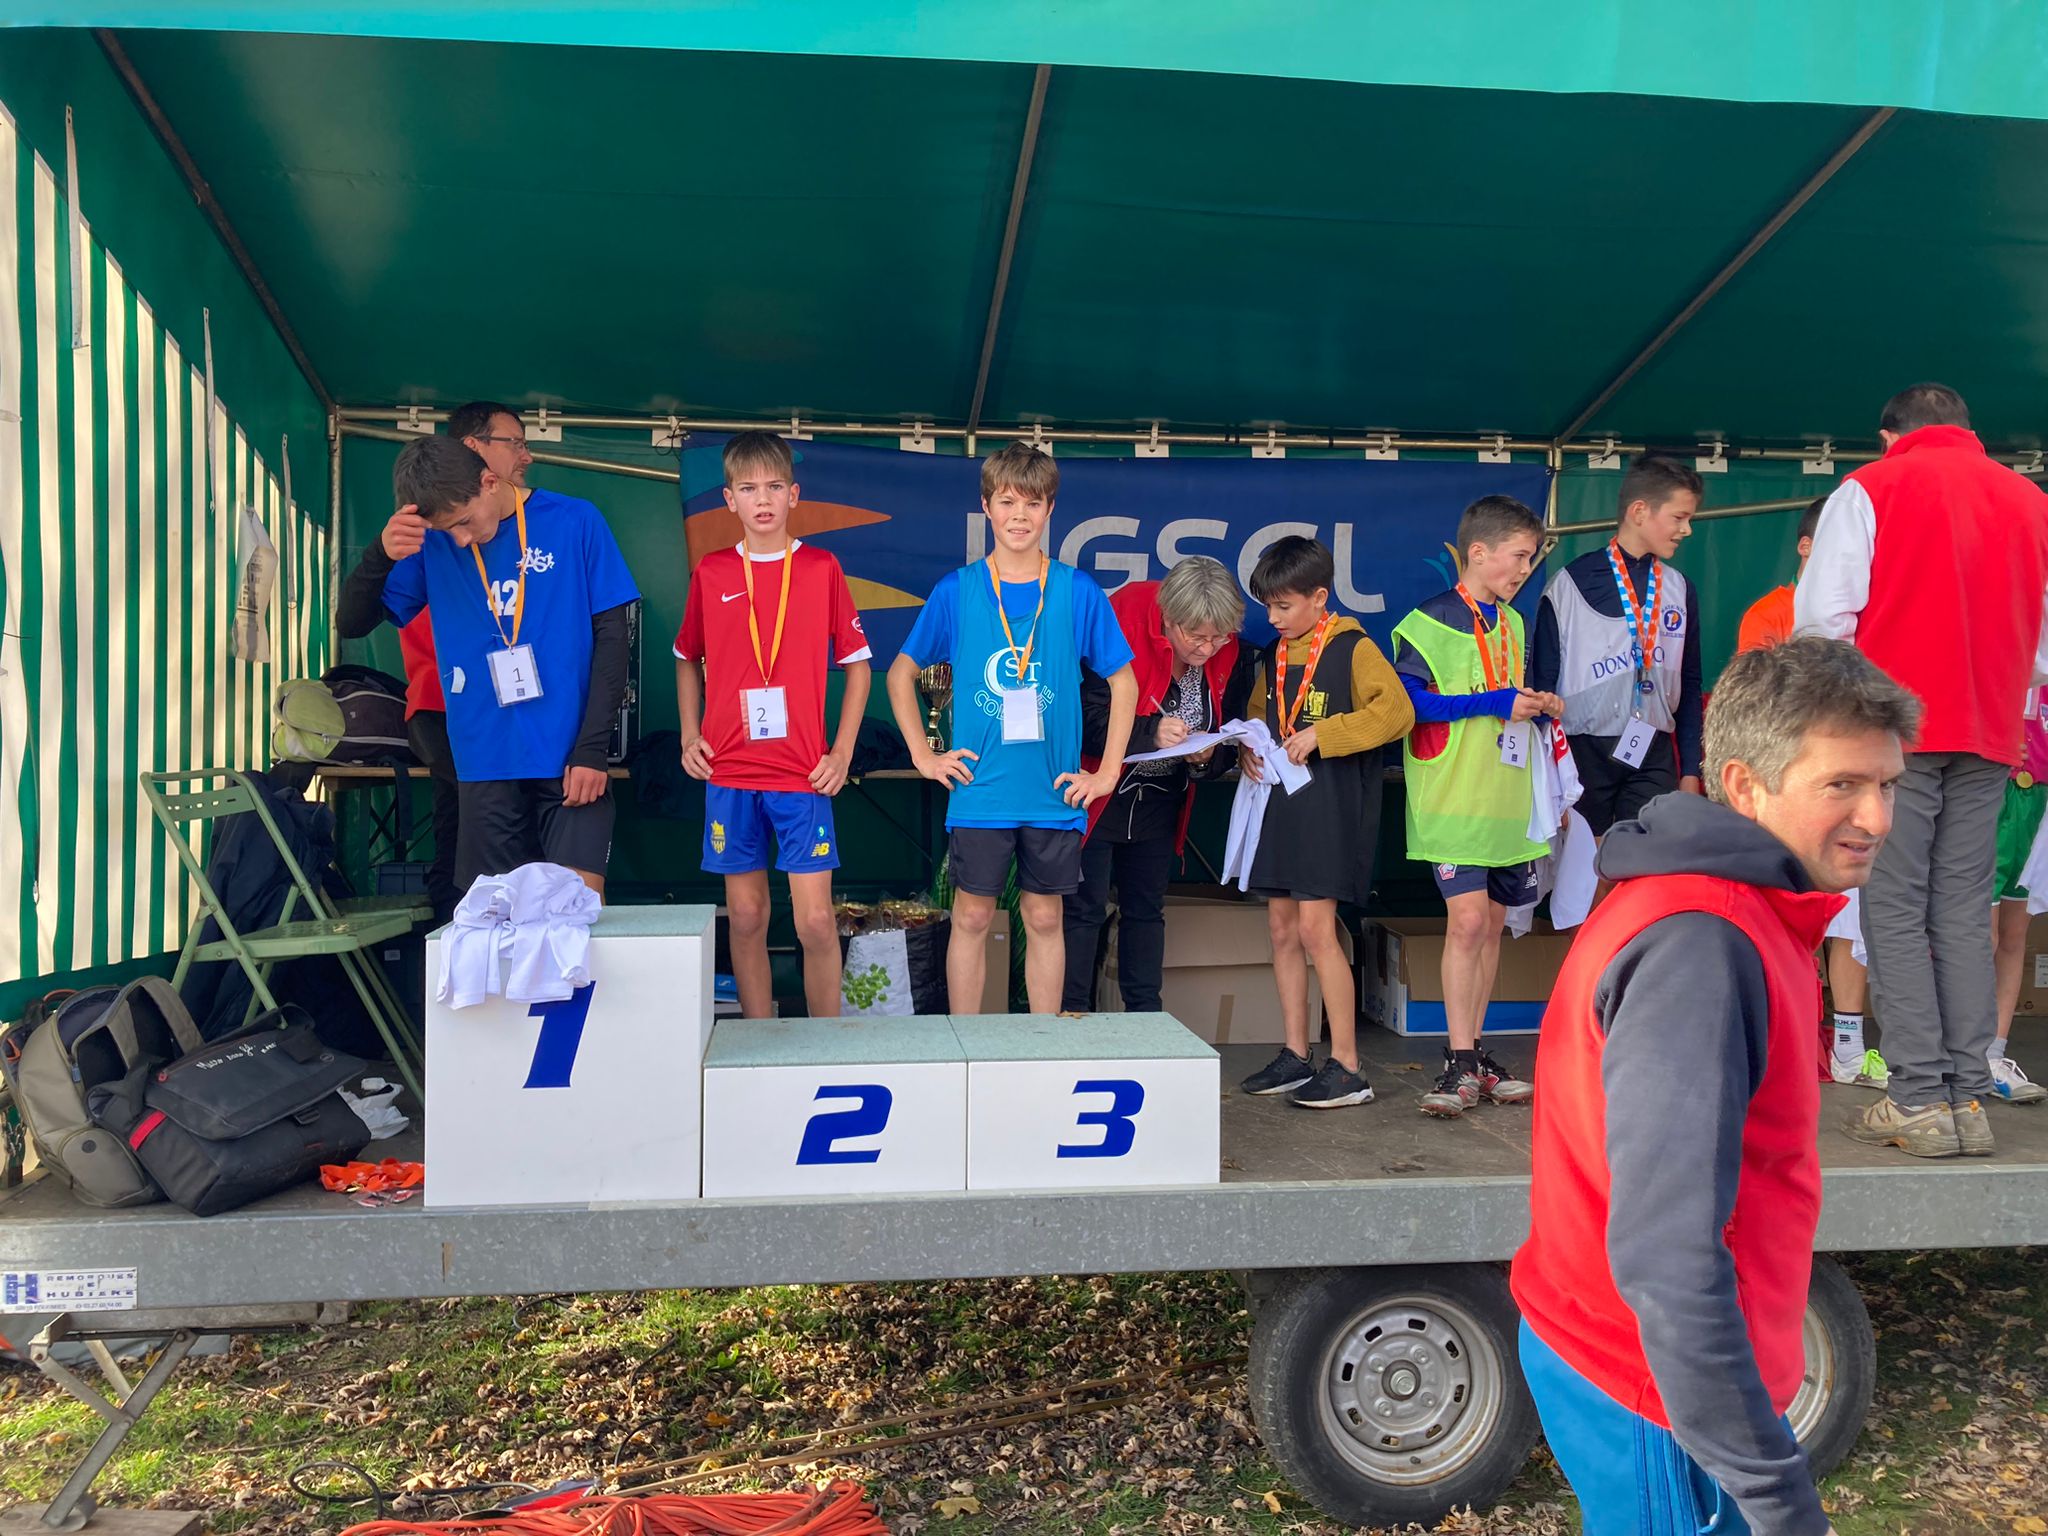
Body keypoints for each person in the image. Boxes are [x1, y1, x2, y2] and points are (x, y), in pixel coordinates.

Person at [1512, 635, 1918, 1536]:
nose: (1877, 816)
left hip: (1646, 1370)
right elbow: (1667, 1256)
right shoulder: (1704, 943)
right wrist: (1780, 1499)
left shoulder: (1732, 906)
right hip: (1651, 1386)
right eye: (1842, 784)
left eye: (1888, 784)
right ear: (1744, 785)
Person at [1798, 382, 2048, 1157]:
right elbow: (2043, 646)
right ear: (1968, 430)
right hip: (1991, 729)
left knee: (1896, 906)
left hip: (1892, 734)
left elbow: (1823, 625)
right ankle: (1967, 1098)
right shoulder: (2030, 501)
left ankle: (1915, 1098)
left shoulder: (1870, 488)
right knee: (1965, 912)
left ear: (1888, 436)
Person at [886, 443, 1137, 1013]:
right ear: (986, 507)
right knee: (972, 916)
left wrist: (1107, 774)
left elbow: (1124, 683)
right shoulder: (958, 589)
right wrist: (925, 755)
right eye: (1006, 501)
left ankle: (1043, 1044)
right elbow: (901, 675)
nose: (1019, 515)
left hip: (1052, 793)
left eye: (1032, 503)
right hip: (981, 791)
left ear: (1050, 509)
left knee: (1045, 917)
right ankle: (965, 1042)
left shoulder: (1077, 590)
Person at [339, 433, 639, 895]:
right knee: (495, 920)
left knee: (576, 911)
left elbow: (614, 641)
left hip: (568, 758)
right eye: (447, 531)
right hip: (483, 761)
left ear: (489, 482)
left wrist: (591, 750)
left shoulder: (575, 520)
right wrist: (380, 553)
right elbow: (352, 623)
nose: (459, 539)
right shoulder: (433, 543)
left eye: (463, 521)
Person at [674, 432, 872, 1020]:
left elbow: (858, 667)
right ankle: (759, 1042)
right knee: (746, 916)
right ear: (728, 499)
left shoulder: (820, 567)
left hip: (802, 773)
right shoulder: (712, 571)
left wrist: (841, 753)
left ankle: (825, 1045)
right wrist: (689, 734)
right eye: (748, 488)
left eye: (774, 487)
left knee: (815, 921)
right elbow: (686, 656)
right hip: (731, 771)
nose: (762, 500)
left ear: (794, 494)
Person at [1392, 495, 1562, 1117]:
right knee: (1465, 923)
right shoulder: (1426, 621)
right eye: (1520, 556)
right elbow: (1410, 705)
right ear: (1479, 552)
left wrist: (1536, 706)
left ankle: (1477, 1056)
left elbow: (1503, 696)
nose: (1525, 569)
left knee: (1492, 926)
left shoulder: (1513, 623)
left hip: (1506, 800)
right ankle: (1458, 1060)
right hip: (1451, 799)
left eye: (1531, 558)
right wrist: (1494, 701)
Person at [1235, 537, 1414, 1109]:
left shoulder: (1353, 647)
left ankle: (1349, 1065)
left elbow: (1396, 712)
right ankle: (1296, 1053)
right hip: (1281, 805)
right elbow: (1260, 713)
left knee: (1318, 931)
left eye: (1284, 606)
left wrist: (1324, 734)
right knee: (1281, 929)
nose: (1273, 617)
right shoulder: (1275, 653)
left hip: (1331, 807)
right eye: (1268, 606)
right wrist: (1247, 745)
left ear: (1319, 597)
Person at [1736, 495, 1886, 1088]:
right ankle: (1786, 1035)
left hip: (1848, 781)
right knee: (1784, 911)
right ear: (1806, 547)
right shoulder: (1769, 612)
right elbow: (1759, 707)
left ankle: (1847, 1042)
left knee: (1850, 909)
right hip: (1789, 788)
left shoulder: (1870, 612)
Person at [1061, 556, 1243, 1012]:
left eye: (1218, 637)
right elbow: (1078, 718)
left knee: (1145, 910)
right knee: (1083, 910)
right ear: (1168, 620)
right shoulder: (1122, 621)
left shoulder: (1227, 648)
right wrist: (1150, 732)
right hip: (1098, 794)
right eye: (1195, 636)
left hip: (1161, 800)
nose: (1207, 648)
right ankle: (1070, 1016)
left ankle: (1146, 1018)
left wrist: (1208, 756)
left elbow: (1229, 732)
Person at [1532, 456, 1706, 837]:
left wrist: (1691, 769)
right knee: (1586, 861)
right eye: (1679, 517)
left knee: (1647, 858)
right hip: (1583, 750)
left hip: (1654, 746)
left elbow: (1690, 683)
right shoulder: (1569, 585)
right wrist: (1549, 777)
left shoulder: (1679, 588)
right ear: (1639, 512)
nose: (1687, 529)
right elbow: (1542, 684)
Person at [1990, 686, 2048, 1103]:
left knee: (2014, 935)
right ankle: (1958, 1051)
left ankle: (1993, 1055)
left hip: (2039, 797)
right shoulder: (2010, 652)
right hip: (1992, 787)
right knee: (1981, 935)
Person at [1735, 495, 1826, 654]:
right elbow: (1755, 671)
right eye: (1836, 545)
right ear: (1805, 547)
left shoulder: (1860, 612)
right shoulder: (1765, 615)